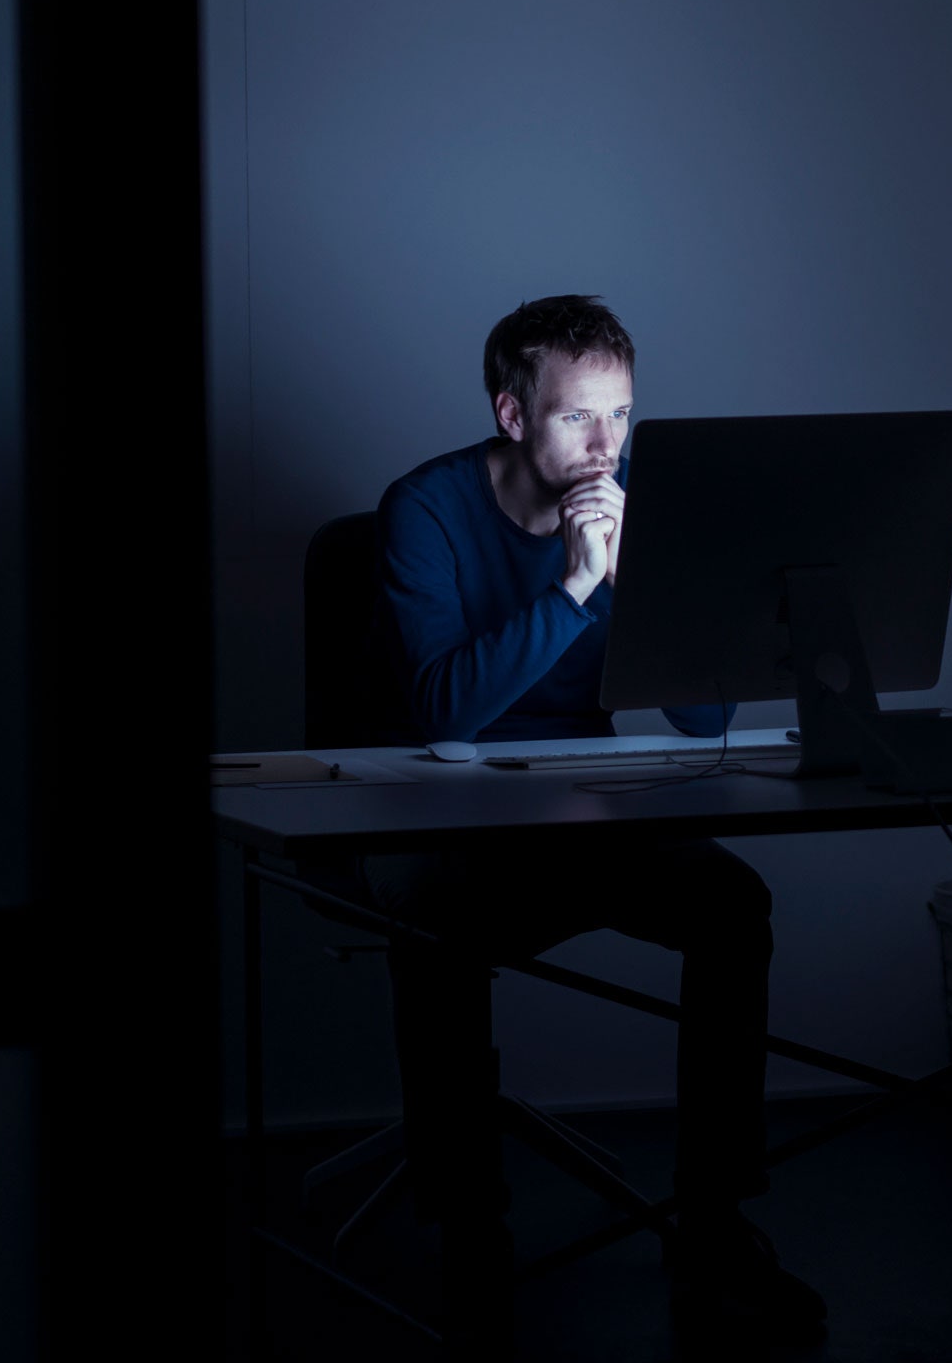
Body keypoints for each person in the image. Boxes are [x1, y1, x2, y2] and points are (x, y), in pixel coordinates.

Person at [362, 294, 827, 1347]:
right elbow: (444, 711)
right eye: (579, 417)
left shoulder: (632, 506)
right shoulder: (424, 510)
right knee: (429, 931)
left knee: (730, 904)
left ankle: (712, 1219)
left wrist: (644, 583)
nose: (605, 445)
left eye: (621, 415)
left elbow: (704, 714)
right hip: (455, 810)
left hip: (587, 803)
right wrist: (573, 589)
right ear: (514, 414)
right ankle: (470, 1227)